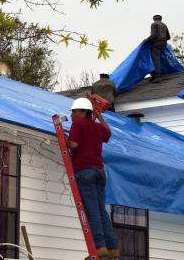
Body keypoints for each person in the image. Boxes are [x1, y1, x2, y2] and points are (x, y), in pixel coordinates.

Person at [67, 98, 119, 260]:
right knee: (101, 210)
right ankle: (112, 248)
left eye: (74, 111)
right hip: (99, 172)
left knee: (92, 211)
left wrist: (65, 141)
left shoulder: (79, 124)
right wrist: (100, 116)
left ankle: (100, 247)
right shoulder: (97, 127)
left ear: (83, 112)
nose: (72, 114)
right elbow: (108, 133)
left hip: (85, 171)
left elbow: (74, 144)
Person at [146, 14, 171, 82]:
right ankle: (157, 73)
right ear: (161, 19)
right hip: (164, 44)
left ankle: (157, 75)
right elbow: (168, 37)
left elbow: (153, 35)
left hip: (156, 44)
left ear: (154, 19)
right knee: (159, 58)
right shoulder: (164, 25)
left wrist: (146, 40)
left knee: (155, 59)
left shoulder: (154, 24)